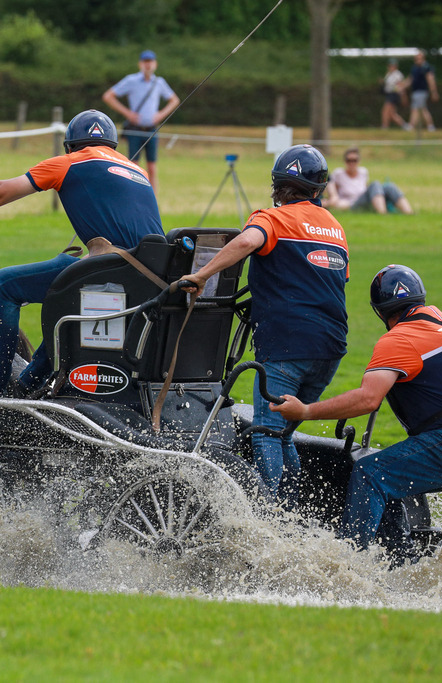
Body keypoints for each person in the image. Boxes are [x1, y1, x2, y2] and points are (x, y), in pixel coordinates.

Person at [0, 109, 164, 397]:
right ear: (112, 145)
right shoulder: (136, 169)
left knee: (6, 283)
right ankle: (28, 384)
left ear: (70, 146)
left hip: (115, 272)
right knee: (65, 279)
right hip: (151, 276)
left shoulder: (69, 162)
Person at [272, 265, 442, 553]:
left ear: (379, 310)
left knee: (370, 473)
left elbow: (368, 399)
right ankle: (399, 559)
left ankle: (344, 563)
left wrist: (305, 411)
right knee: (389, 477)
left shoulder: (401, 338)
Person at [179, 144, 348, 507]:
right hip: (331, 348)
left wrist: (201, 275)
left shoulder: (272, 218)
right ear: (318, 188)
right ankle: (291, 512)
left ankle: (266, 515)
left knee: (266, 434)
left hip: (288, 345)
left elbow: (247, 241)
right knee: (284, 433)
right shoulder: (335, 227)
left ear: (277, 186)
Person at [101, 49, 180, 195]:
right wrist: (127, 113)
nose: (148, 65)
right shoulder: (131, 80)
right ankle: (133, 195)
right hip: (135, 129)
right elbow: (108, 96)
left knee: (152, 167)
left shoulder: (159, 82)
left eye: (150, 62)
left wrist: (160, 115)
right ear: (140, 64)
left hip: (151, 129)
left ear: (155, 64)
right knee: (133, 166)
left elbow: (174, 100)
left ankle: (152, 199)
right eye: (145, 62)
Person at [323, 147, 413, 215]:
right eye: (349, 160)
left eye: (354, 160)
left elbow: (365, 187)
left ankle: (409, 213)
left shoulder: (363, 172)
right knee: (375, 184)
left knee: (389, 186)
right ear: (345, 161)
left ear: (359, 161)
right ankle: (383, 214)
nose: (352, 163)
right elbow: (333, 194)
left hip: (366, 199)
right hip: (351, 204)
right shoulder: (338, 174)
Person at [403, 49, 439, 132]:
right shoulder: (415, 68)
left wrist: (434, 92)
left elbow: (431, 80)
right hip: (415, 92)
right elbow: (410, 80)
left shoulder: (426, 67)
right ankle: (428, 126)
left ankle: (413, 125)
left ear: (423, 58)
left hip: (422, 91)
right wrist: (402, 86)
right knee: (420, 109)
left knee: (418, 109)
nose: (417, 60)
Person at [380, 59, 411, 131]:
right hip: (389, 94)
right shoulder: (388, 74)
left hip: (394, 95)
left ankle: (384, 127)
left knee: (385, 111)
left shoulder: (397, 75)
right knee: (392, 114)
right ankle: (405, 126)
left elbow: (400, 86)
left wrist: (403, 96)